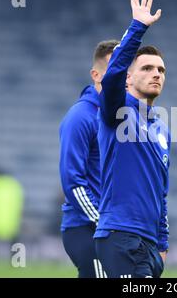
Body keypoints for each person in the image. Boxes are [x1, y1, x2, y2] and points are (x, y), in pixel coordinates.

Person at [94, 0, 169, 278]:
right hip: (121, 236)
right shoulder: (118, 109)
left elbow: (160, 191)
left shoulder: (162, 128)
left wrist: (161, 244)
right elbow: (111, 76)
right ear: (129, 77)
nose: (156, 74)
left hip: (148, 245)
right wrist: (137, 27)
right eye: (147, 68)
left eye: (161, 70)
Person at [59, 39, 119, 278]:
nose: (121, 76)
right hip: (86, 228)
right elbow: (72, 182)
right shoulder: (81, 117)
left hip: (114, 228)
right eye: (114, 70)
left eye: (125, 70)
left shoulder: (122, 116)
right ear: (96, 74)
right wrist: (104, 222)